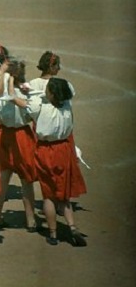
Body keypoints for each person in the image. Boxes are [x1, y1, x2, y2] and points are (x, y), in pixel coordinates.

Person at [9, 78, 87, 247]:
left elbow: (18, 101)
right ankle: (72, 227)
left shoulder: (41, 107)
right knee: (64, 194)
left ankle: (52, 233)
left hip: (46, 151)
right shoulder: (66, 104)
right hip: (64, 149)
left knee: (48, 194)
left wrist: (13, 85)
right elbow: (69, 90)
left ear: (51, 93)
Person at [0, 60, 38, 232]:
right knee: (24, 181)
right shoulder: (27, 90)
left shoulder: (13, 92)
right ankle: (31, 220)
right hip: (18, 135)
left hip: (9, 134)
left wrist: (5, 79)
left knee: (4, 179)